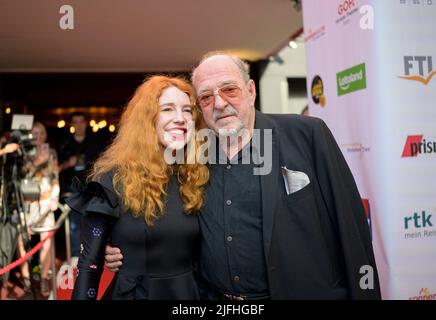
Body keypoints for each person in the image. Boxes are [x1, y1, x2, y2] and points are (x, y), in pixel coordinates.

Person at [105, 53, 381, 300]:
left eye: (229, 90)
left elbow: (351, 228)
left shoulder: (306, 135)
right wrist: (118, 244)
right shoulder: (192, 158)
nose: (220, 103)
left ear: (250, 91)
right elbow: (165, 216)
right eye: (206, 97)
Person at [66, 76, 209, 300]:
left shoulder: (196, 176)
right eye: (168, 109)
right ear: (146, 119)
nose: (180, 118)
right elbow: (89, 266)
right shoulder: (112, 179)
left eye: (187, 110)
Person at [17, 121, 60, 297]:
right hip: (28, 204)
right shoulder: (23, 153)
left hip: (46, 201)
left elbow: (55, 176)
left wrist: (54, 198)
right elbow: (22, 176)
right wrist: (37, 162)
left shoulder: (51, 152)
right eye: (34, 133)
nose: (38, 137)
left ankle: (43, 278)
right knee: (22, 240)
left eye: (40, 133)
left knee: (47, 241)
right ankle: (27, 279)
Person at [58, 112, 103, 263]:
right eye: (75, 122)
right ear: (71, 125)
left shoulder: (95, 142)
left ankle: (93, 255)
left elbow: (103, 165)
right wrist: (67, 164)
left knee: (93, 223)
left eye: (81, 121)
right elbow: (55, 169)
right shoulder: (64, 144)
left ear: (85, 123)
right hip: (71, 191)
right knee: (74, 225)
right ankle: (76, 256)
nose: (78, 125)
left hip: (91, 189)